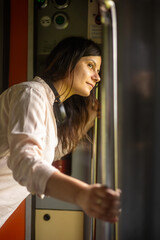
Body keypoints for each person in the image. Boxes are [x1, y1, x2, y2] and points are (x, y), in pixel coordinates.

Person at [0, 36, 121, 228]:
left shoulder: (48, 104)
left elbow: (51, 153)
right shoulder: (32, 94)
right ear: (68, 60)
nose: (97, 77)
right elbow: (25, 160)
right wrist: (82, 194)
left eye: (98, 71)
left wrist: (87, 122)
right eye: (90, 65)